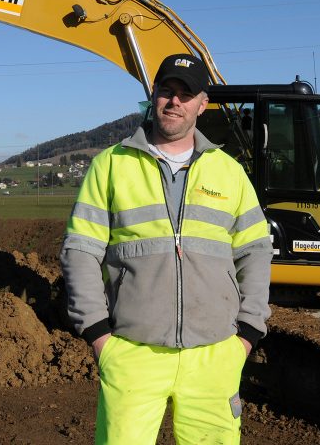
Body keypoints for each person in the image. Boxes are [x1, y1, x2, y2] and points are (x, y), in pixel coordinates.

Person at [60, 53, 272, 445]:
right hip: (131, 352)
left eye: (186, 94)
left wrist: (246, 334)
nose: (175, 101)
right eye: (166, 91)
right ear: (153, 95)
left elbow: (256, 251)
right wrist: (99, 336)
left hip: (215, 355)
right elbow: (80, 251)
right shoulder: (110, 165)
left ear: (202, 104)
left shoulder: (228, 171)